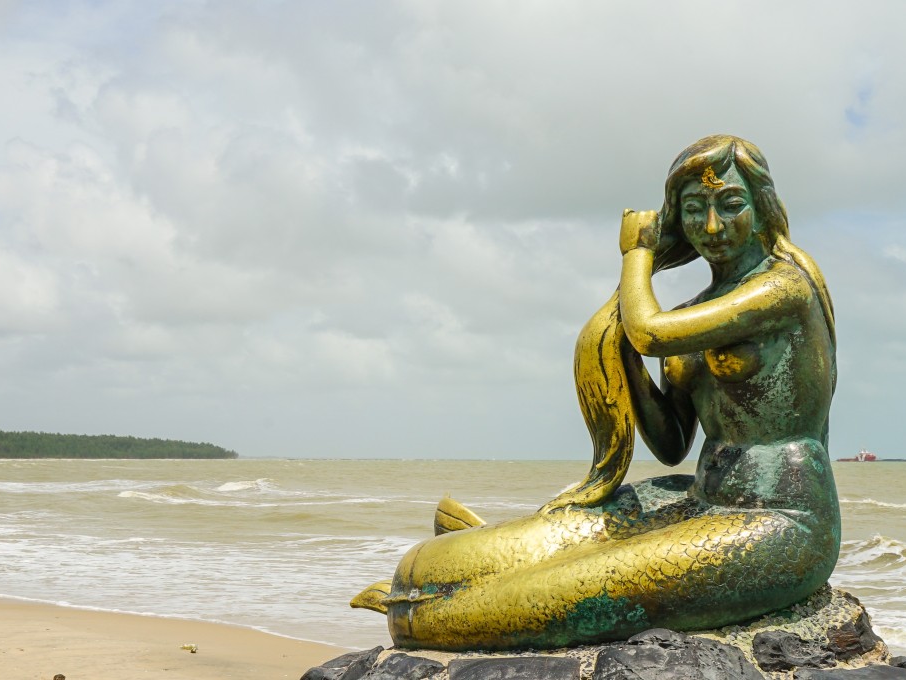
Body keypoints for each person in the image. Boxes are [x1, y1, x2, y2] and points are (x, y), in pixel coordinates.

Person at [352, 135, 840, 652]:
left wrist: (637, 253)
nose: (712, 227)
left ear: (762, 208)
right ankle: (466, 568)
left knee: (534, 598)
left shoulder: (784, 288)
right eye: (695, 210)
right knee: (430, 565)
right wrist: (624, 360)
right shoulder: (697, 308)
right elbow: (672, 441)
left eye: (731, 204)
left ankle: (440, 610)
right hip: (698, 500)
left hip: (781, 522)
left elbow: (650, 331)